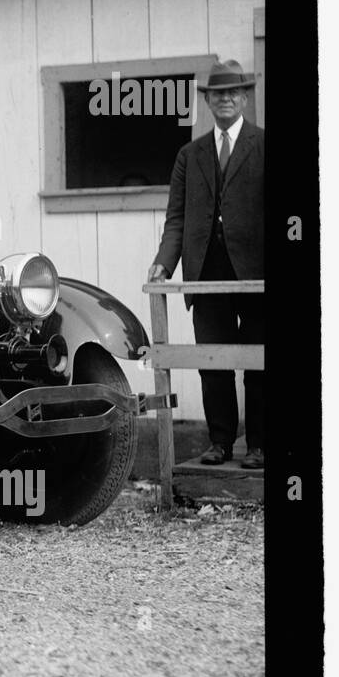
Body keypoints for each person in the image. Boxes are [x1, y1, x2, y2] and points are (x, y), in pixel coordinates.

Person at [149, 57, 264, 468]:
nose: (226, 99)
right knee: (212, 363)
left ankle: (258, 447)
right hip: (206, 275)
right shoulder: (190, 154)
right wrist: (164, 263)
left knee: (258, 363)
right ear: (209, 101)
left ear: (246, 97)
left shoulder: (263, 145)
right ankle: (219, 443)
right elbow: (176, 219)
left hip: (255, 275)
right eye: (218, 94)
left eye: (233, 92)